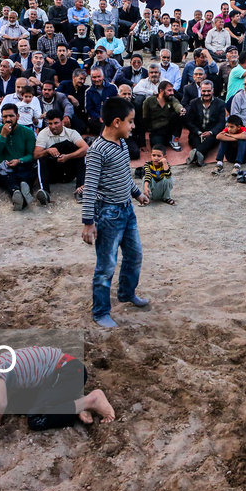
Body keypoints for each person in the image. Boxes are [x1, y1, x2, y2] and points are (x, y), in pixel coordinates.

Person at [81, 97, 150, 328]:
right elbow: (90, 188)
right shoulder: (97, 151)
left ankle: (126, 293)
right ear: (117, 121)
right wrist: (88, 222)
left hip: (127, 210)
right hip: (108, 215)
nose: (133, 126)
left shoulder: (121, 144)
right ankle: (100, 311)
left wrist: (137, 193)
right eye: (130, 122)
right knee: (106, 266)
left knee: (134, 255)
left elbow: (123, 175)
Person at [0, 346, 115, 438]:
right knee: (17, 404)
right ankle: (75, 401)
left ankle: (90, 401)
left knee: (36, 420)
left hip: (68, 373)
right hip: (62, 374)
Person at [0, 104, 38, 210]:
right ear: (1, 118)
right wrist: (3, 135)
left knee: (26, 175)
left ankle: (20, 192)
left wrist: (19, 160)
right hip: (5, 169)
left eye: (11, 116)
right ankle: (18, 192)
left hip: (22, 166)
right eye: (5, 117)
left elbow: (31, 155)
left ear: (18, 116)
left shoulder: (27, 132)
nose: (8, 119)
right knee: (6, 178)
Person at [34, 109, 88, 203]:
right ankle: (45, 192)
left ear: (63, 122)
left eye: (56, 123)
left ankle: (80, 189)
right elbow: (36, 155)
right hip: (53, 172)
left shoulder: (71, 133)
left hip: (68, 170)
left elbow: (86, 149)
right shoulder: (43, 134)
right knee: (41, 158)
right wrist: (47, 150)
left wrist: (68, 156)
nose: (53, 126)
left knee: (77, 151)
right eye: (50, 124)